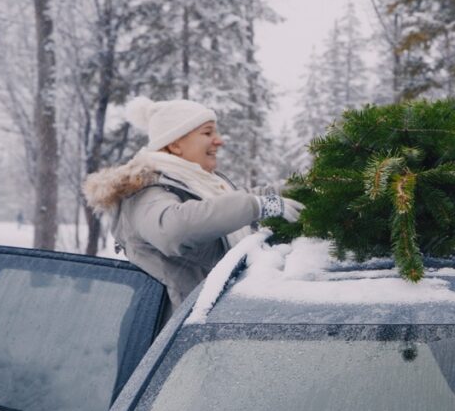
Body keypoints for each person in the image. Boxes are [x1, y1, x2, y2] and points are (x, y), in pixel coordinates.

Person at [83, 97, 303, 314]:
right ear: (175, 144)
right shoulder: (145, 192)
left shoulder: (201, 184)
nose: (219, 141)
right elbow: (171, 230)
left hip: (214, 321)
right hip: (176, 330)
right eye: (207, 133)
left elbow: (243, 198)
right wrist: (255, 206)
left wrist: (304, 187)